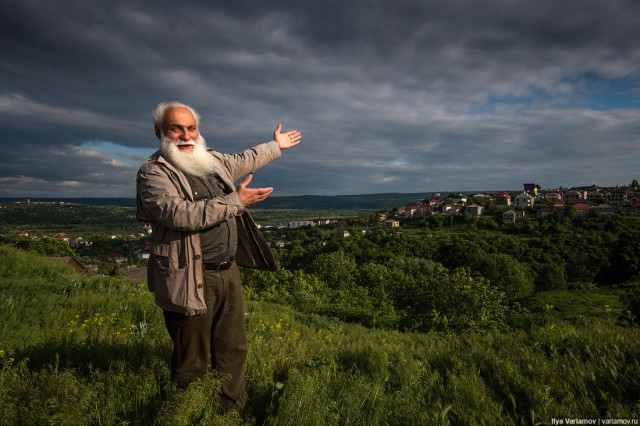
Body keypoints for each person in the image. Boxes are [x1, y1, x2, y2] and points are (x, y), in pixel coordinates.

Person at [136, 101, 301, 414]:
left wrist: (275, 145)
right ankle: (188, 413)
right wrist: (237, 200)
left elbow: (243, 159)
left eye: (191, 128)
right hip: (189, 276)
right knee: (191, 357)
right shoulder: (153, 173)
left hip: (227, 272)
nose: (186, 135)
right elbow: (179, 214)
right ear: (161, 132)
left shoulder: (210, 161)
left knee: (232, 349)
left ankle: (230, 412)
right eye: (176, 128)